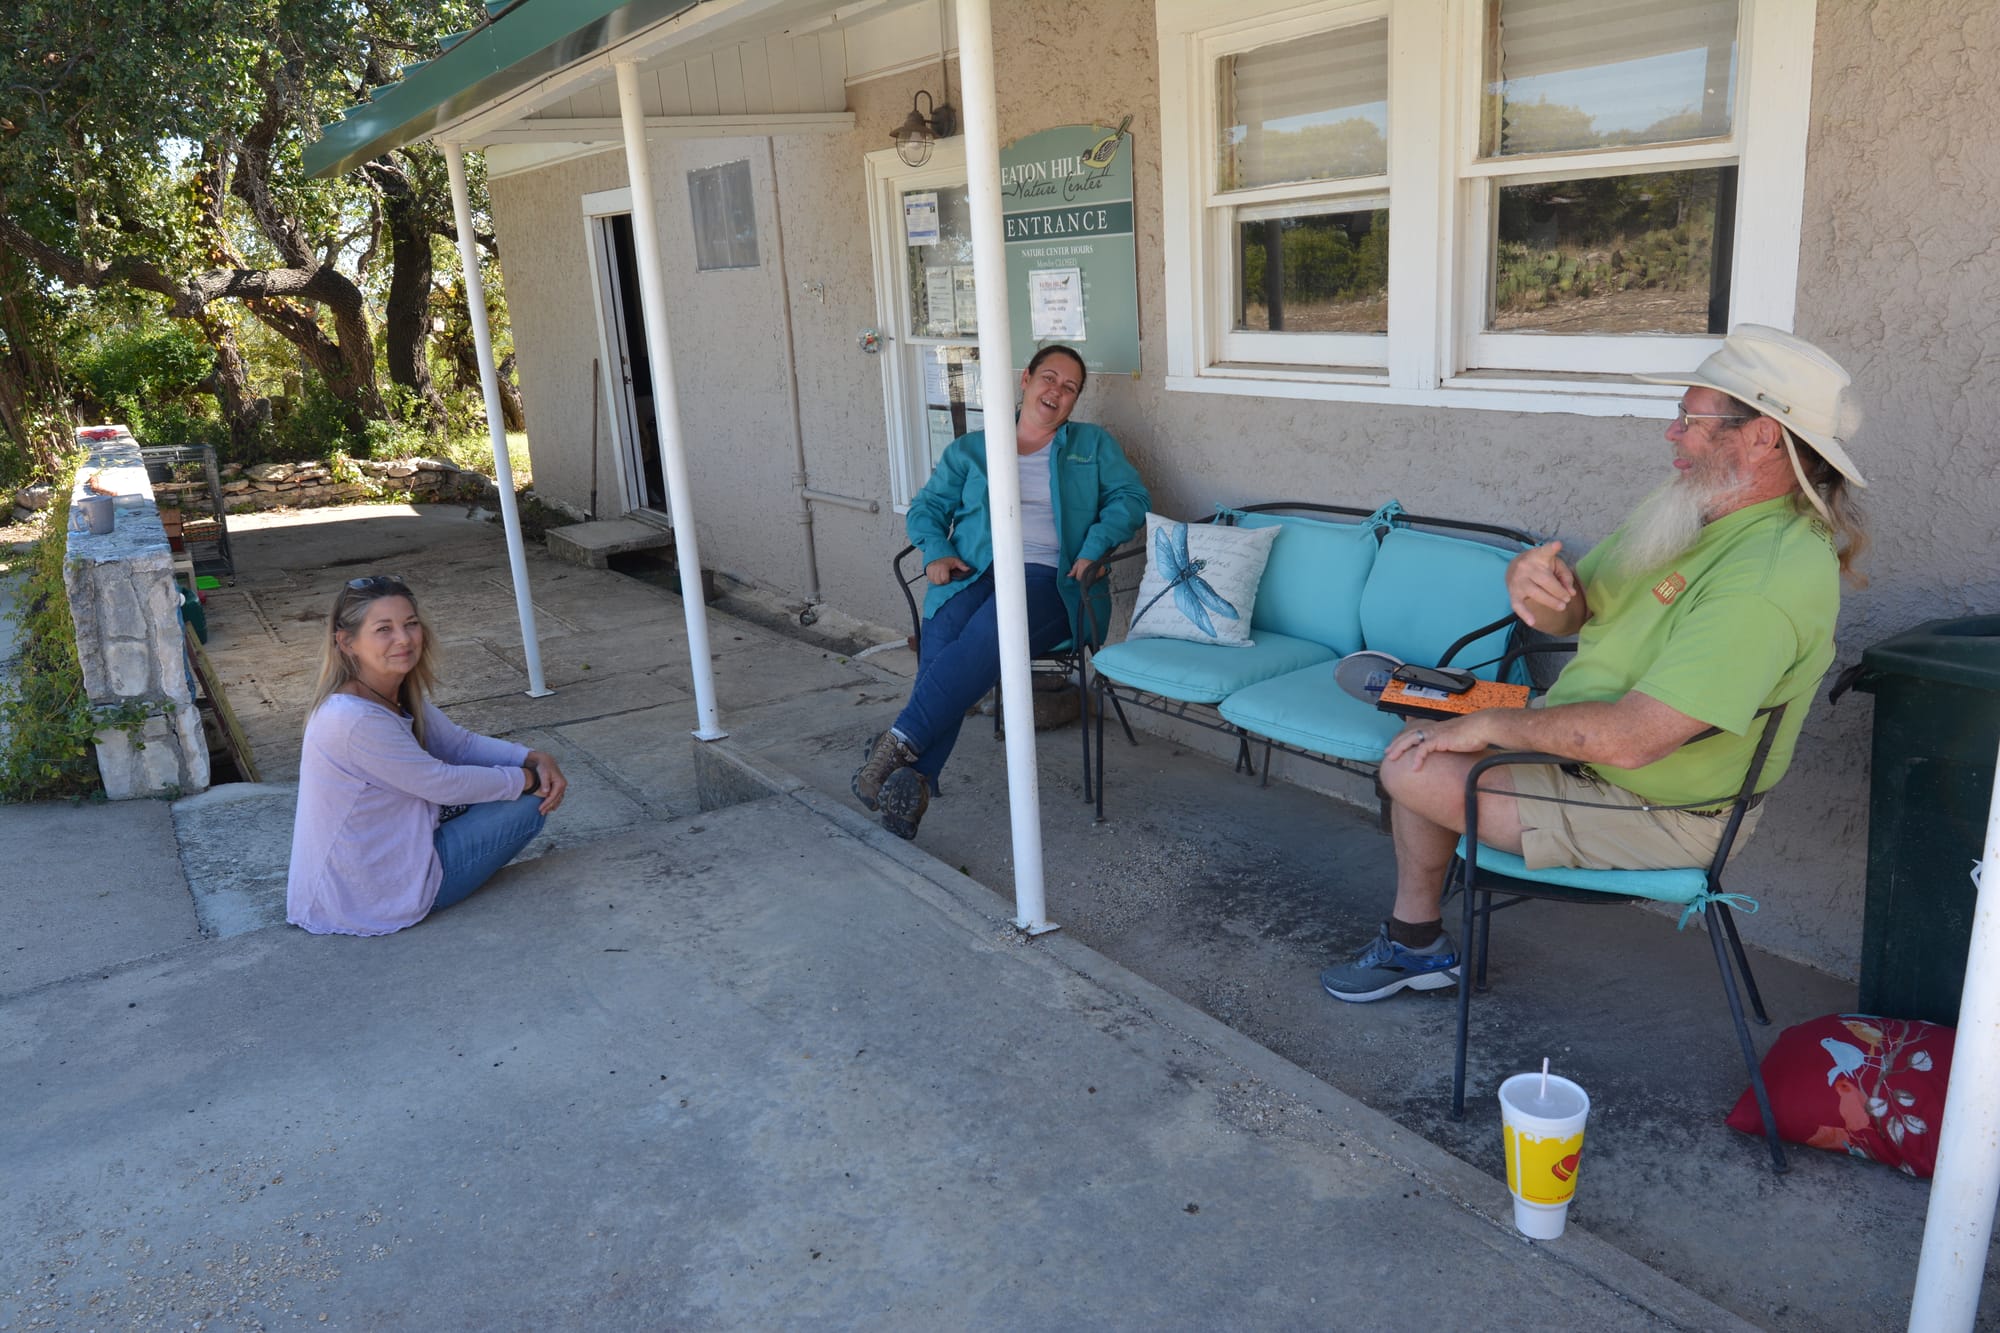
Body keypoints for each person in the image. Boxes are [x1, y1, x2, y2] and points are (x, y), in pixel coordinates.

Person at [1320, 324, 1870, 1002]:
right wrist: (1531, 585)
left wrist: (1489, 727)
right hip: (1585, 745)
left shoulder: (1768, 577)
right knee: (1426, 722)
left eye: (1691, 418)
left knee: (1413, 762)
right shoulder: (1696, 506)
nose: (1672, 433)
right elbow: (1576, 612)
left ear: (1761, 437)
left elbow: (1635, 739)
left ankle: (1414, 943)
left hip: (1660, 806)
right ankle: (1418, 944)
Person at [852, 344, 1149, 840]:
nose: (1056, 391)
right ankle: (912, 783)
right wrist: (936, 551)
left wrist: (1095, 546)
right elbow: (927, 508)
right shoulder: (974, 449)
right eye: (1049, 378)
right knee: (944, 638)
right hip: (974, 573)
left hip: (1053, 582)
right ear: (1026, 379)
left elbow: (1132, 498)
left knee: (990, 630)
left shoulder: (1092, 445)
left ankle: (894, 747)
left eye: (1070, 387)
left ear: (1075, 400)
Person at [286, 575, 568, 936]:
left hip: (394, 851)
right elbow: (442, 784)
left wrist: (531, 756)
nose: (404, 639)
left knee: (505, 786)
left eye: (410, 624)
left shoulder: (390, 692)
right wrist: (527, 779)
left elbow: (459, 746)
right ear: (347, 642)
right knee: (530, 801)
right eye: (384, 629)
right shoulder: (352, 719)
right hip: (374, 892)